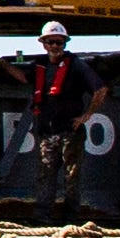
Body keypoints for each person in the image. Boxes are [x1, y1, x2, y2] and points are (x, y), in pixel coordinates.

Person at [22, 18, 89, 213]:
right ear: (43, 44)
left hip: (70, 131)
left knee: (72, 174)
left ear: (64, 44)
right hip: (48, 131)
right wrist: (2, 64)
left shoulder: (76, 65)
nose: (54, 46)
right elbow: (25, 77)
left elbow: (100, 89)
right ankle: (43, 215)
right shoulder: (40, 66)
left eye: (58, 42)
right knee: (46, 173)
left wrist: (85, 116)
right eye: (50, 42)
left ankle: (71, 214)